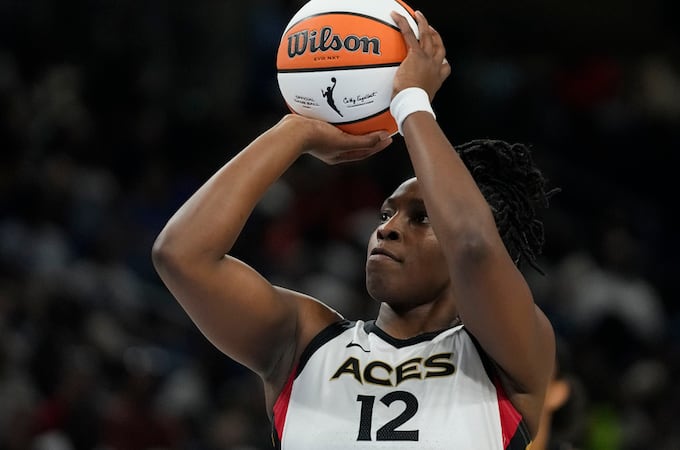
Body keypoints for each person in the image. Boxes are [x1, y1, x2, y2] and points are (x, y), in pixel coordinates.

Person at [152, 10, 558, 449]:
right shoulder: (303, 339)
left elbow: (475, 246)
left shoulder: (506, 355)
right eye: (386, 215)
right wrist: (296, 130)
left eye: (421, 217)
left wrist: (411, 101)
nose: (387, 230)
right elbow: (180, 253)